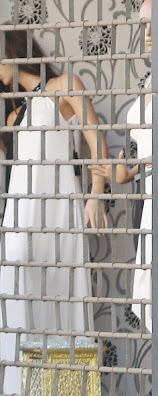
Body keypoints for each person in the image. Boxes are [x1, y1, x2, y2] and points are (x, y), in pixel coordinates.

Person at [0, 30, 110, 396]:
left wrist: (95, 193)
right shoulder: (15, 111)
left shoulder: (63, 86)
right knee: (19, 299)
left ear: (15, 51)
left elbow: (95, 142)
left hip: (56, 208)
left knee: (62, 294)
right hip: (21, 214)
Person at [92, 0, 153, 331]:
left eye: (153, 22)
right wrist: (127, 172)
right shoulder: (148, 80)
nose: (147, 33)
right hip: (145, 201)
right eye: (143, 24)